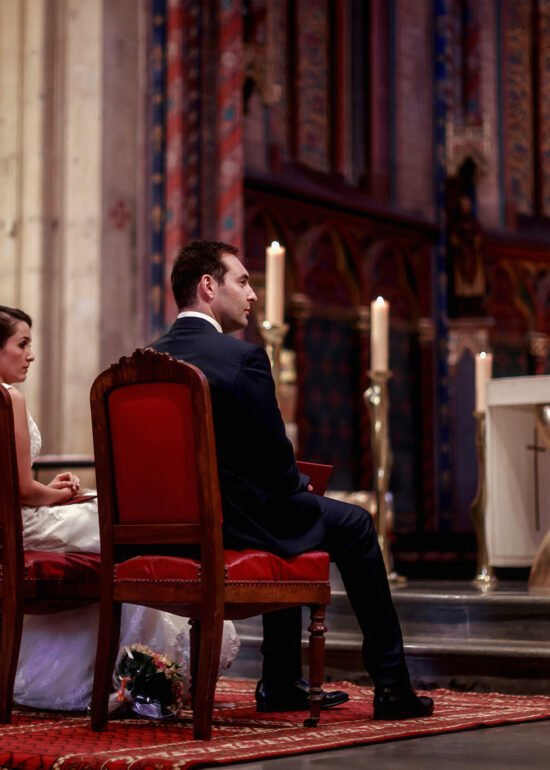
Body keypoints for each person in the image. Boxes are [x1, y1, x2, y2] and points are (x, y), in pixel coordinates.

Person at [151, 240, 434, 720]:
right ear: (207, 286)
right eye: (242, 281)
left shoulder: (143, 362)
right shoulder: (241, 359)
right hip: (235, 524)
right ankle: (391, 687)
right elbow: (273, 458)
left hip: (169, 527)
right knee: (356, 524)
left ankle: (281, 682)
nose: (252, 295)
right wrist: (298, 484)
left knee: (289, 513)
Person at [0, 305, 240, 711]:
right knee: (126, 526)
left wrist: (52, 489)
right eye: (22, 344)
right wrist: (60, 496)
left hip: (13, 524)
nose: (31, 354)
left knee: (109, 519)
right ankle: (155, 657)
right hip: (25, 525)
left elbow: (14, 487)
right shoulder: (9, 398)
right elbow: (23, 491)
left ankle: (122, 663)